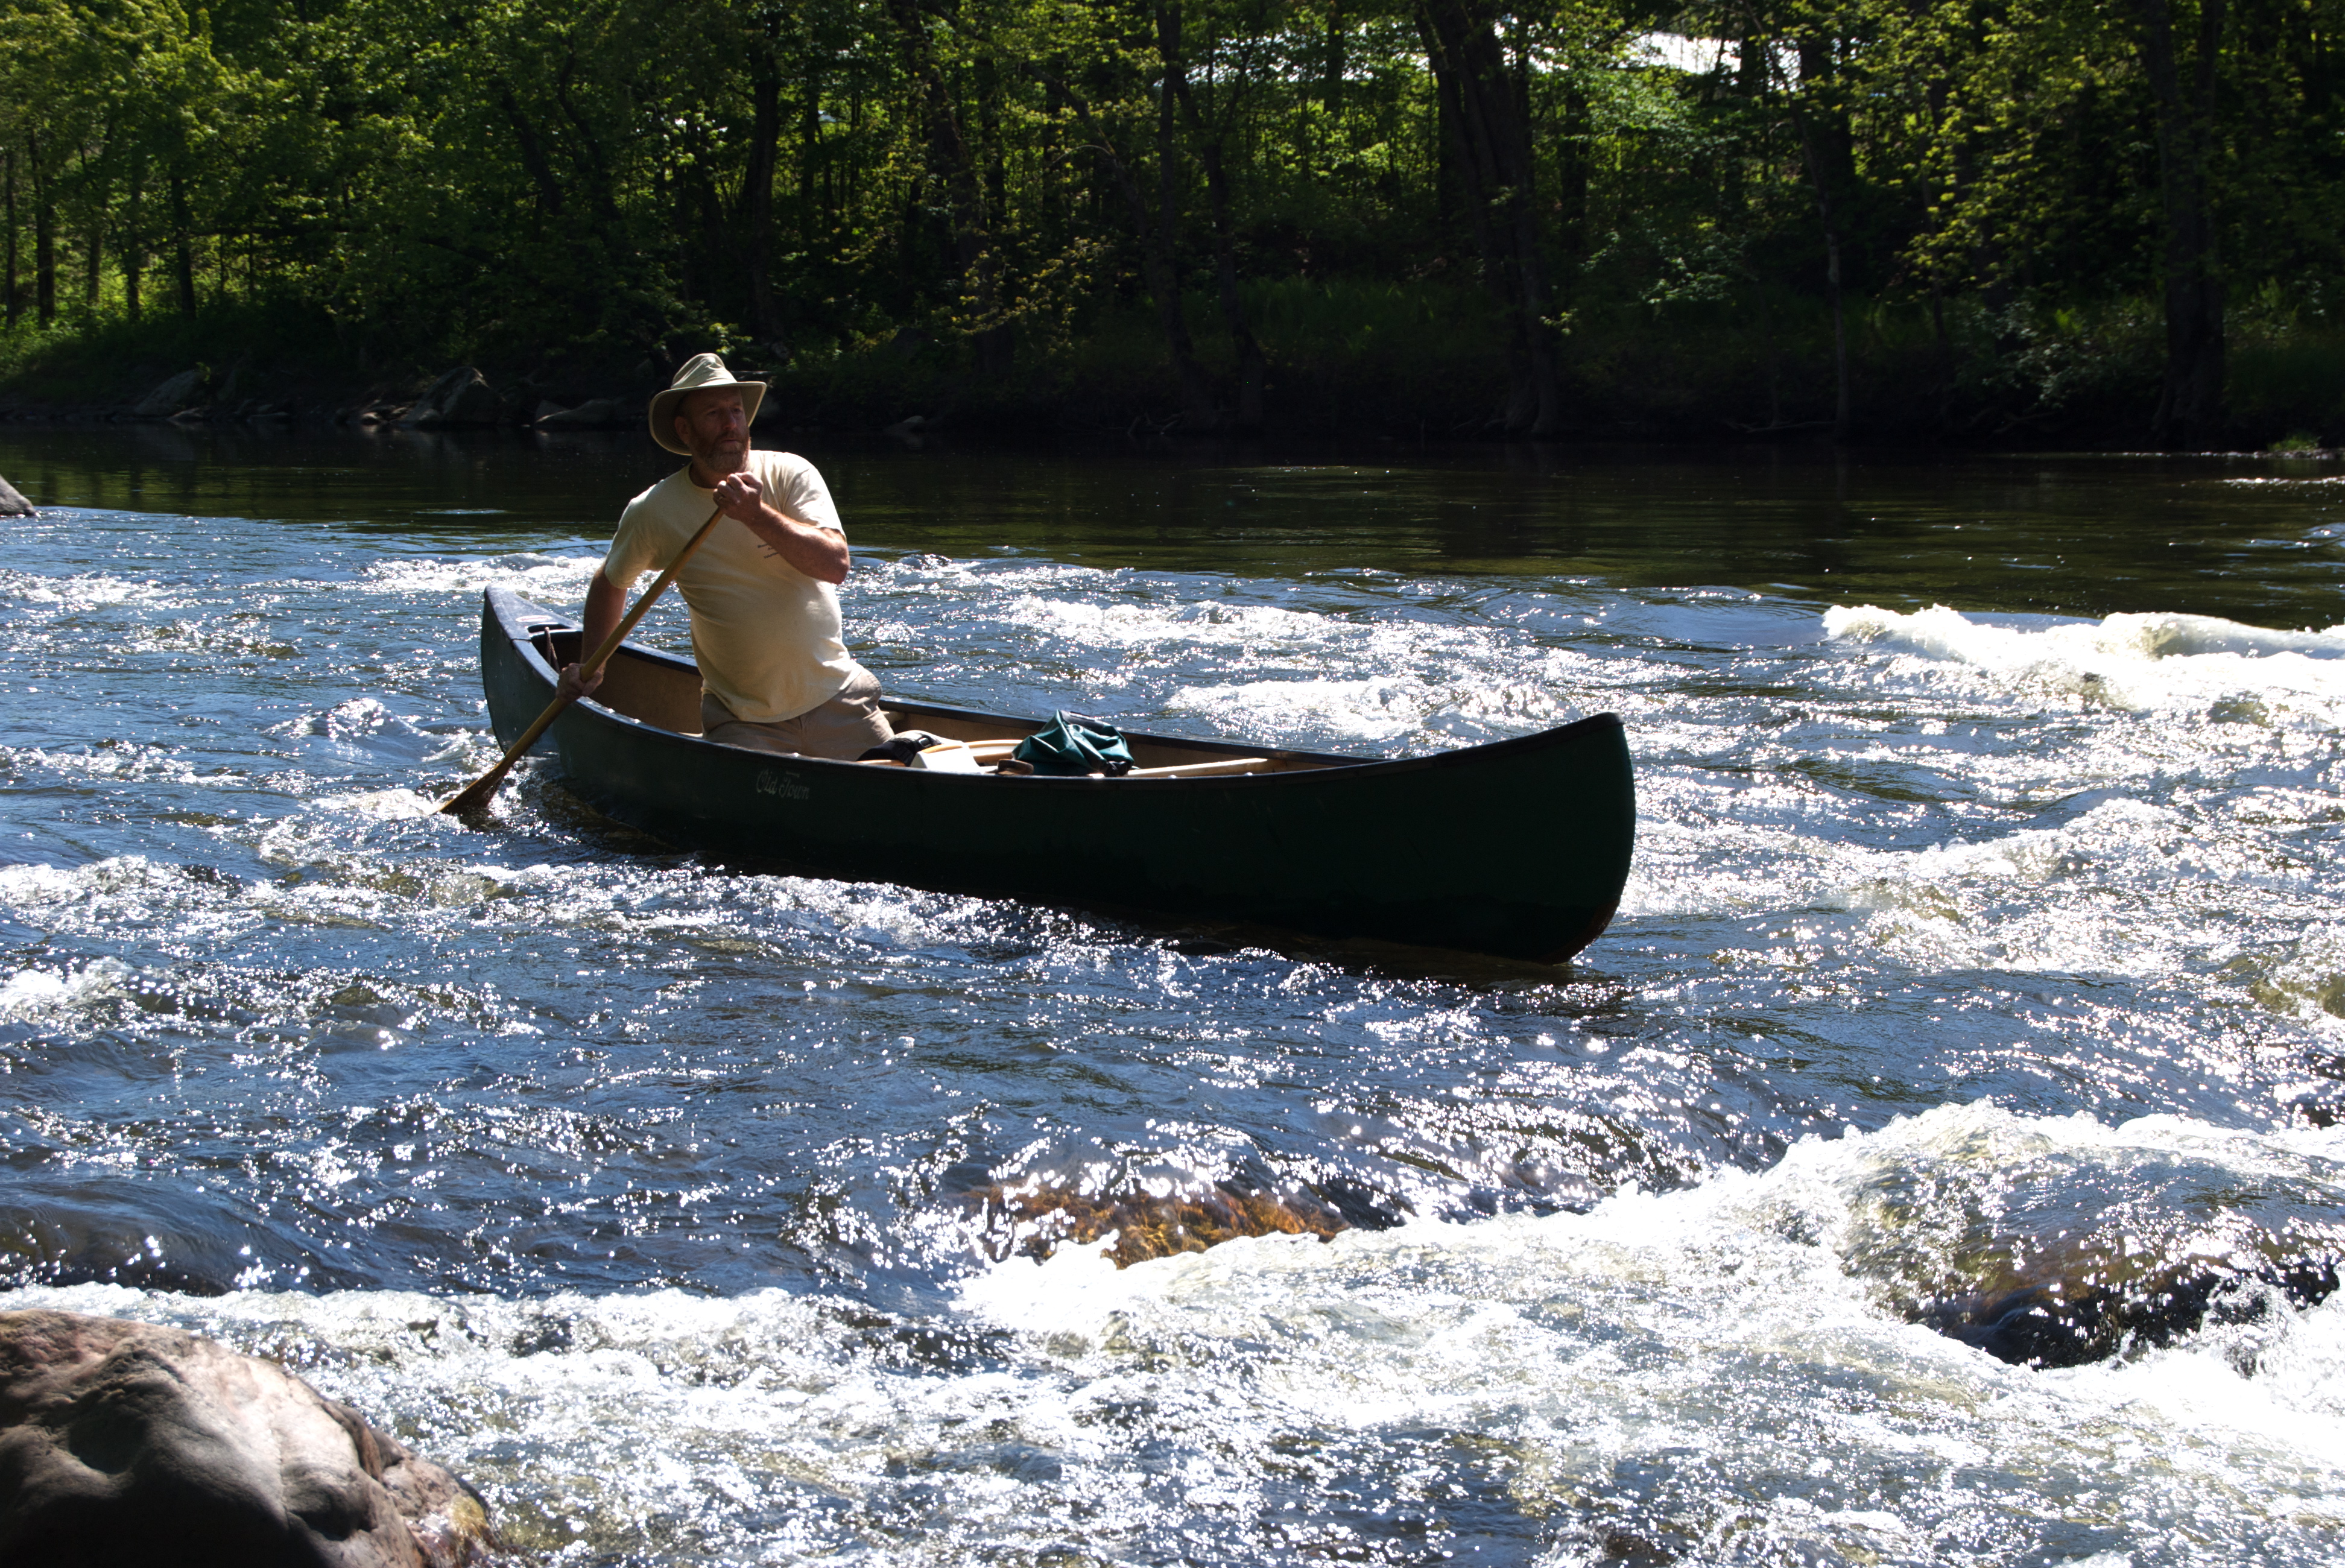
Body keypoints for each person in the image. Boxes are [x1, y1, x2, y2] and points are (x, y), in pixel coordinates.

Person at [558, 353, 893, 760]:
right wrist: (594, 667)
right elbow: (611, 581)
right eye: (714, 413)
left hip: (839, 701)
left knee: (905, 789)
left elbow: (835, 566)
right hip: (743, 719)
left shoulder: (790, 474)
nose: (731, 424)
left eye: (736, 411)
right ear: (684, 429)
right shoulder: (654, 510)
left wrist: (756, 515)